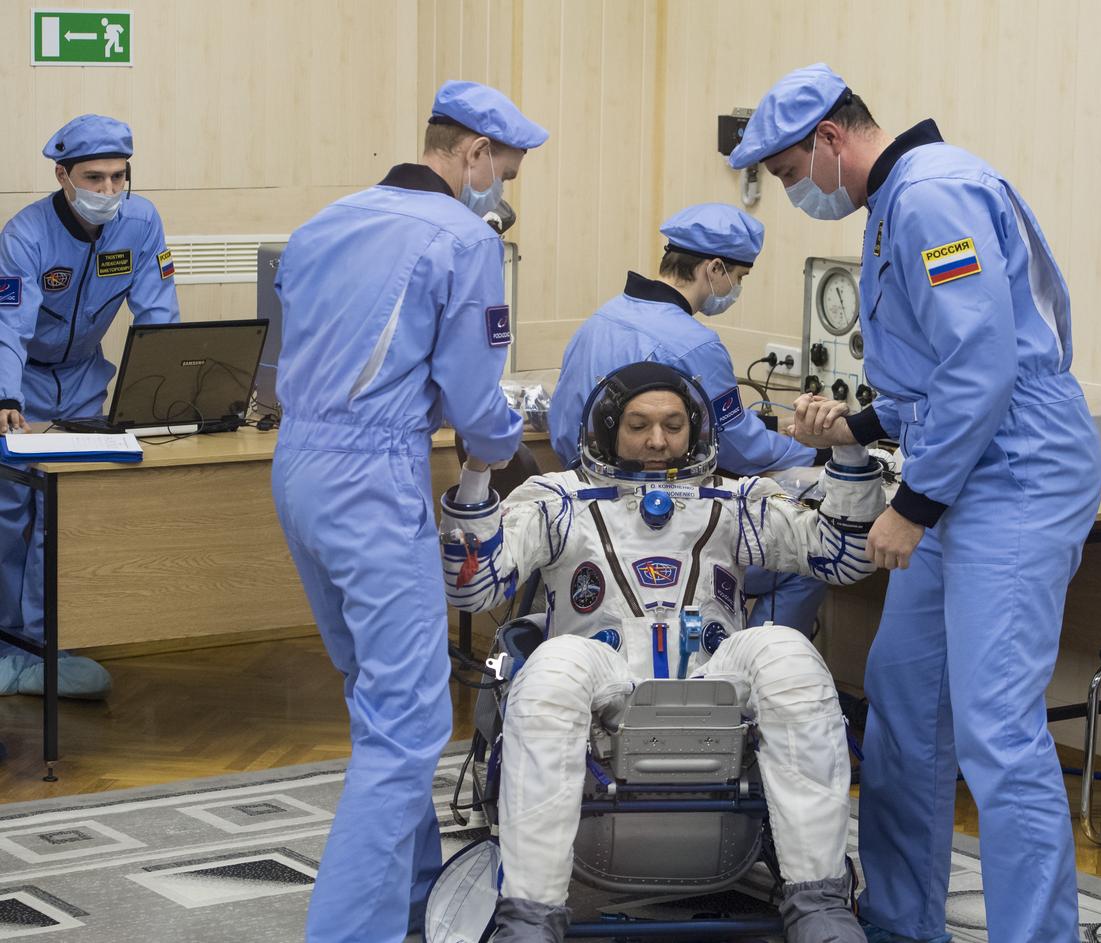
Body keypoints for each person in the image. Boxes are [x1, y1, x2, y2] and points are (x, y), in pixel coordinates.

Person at [731, 64, 1101, 943]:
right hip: (962, 459)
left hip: (1015, 468)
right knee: (903, 695)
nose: (793, 192)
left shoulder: (934, 196)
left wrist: (915, 505)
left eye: (788, 172)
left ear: (829, 139)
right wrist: (855, 423)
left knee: (996, 727)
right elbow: (934, 381)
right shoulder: (893, 205)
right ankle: (902, 920)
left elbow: (983, 368)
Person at [442, 362, 886, 943]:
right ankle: (529, 917)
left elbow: (845, 557)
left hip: (714, 681)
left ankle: (819, 903)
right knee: (552, 667)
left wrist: (846, 450)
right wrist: (477, 472)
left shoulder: (731, 499)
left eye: (673, 426)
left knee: (788, 652)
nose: (657, 441)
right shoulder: (560, 499)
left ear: (694, 431)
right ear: (608, 431)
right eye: (639, 426)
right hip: (602, 684)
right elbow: (473, 589)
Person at [272, 81, 547, 943]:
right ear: (473, 153)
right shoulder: (464, 239)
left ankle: (419, 899)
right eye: (505, 171)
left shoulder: (325, 223)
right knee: (409, 725)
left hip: (298, 468)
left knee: (379, 696)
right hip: (371, 476)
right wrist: (506, 443)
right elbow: (473, 396)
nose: (501, 188)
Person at [548, 203, 830, 636]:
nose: (736, 288)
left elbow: (561, 423)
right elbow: (738, 446)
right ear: (714, 269)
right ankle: (753, 667)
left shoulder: (599, 320)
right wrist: (816, 449)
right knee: (805, 559)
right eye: (739, 277)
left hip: (583, 517)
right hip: (653, 528)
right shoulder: (695, 344)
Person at [0, 114, 179, 700]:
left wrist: (165, 393)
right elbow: (8, 326)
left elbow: (158, 312)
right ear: (63, 176)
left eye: (118, 177)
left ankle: (48, 644)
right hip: (21, 381)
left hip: (82, 381)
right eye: (94, 178)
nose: (108, 190)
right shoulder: (25, 235)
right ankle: (8, 644)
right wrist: (5, 396)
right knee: (12, 513)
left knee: (69, 511)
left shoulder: (141, 222)